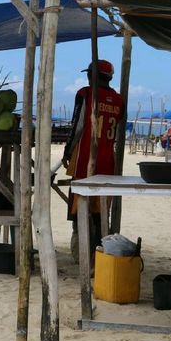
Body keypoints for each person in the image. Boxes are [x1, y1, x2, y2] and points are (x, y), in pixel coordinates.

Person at [62, 60, 123, 261]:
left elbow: (77, 126)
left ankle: (83, 253)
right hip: (108, 163)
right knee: (100, 212)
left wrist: (67, 151)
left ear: (92, 76)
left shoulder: (85, 94)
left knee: (80, 208)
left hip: (85, 160)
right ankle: (100, 251)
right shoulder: (119, 100)